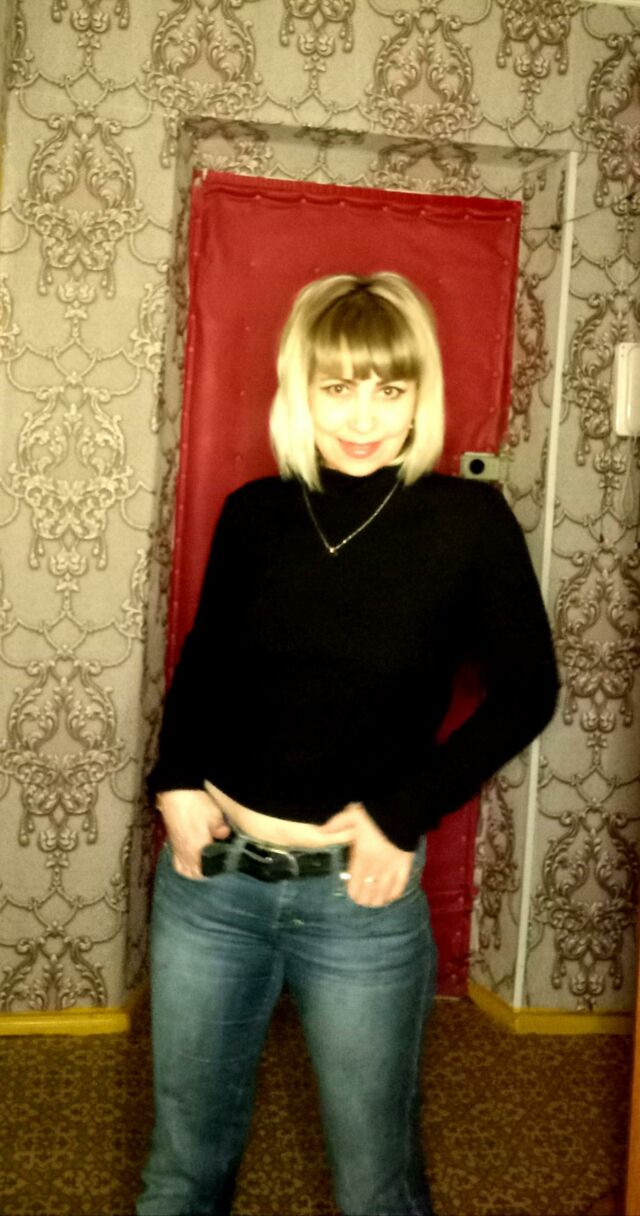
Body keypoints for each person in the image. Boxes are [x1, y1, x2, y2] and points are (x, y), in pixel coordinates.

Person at [136, 272, 558, 1216]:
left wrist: (400, 816)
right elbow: (207, 662)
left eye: (390, 389)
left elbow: (529, 691)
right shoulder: (255, 513)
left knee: (375, 1182)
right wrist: (175, 783)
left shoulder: (467, 524)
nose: (363, 417)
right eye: (338, 388)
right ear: (301, 389)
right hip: (212, 882)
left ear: (419, 396)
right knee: (181, 1170)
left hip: (356, 902)